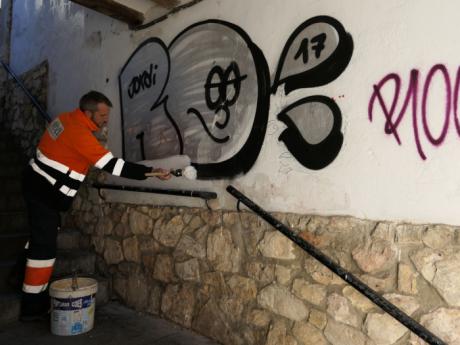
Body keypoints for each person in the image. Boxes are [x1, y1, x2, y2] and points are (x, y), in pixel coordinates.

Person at [19, 90, 170, 321]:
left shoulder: (65, 119)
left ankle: (18, 275)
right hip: (43, 193)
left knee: (40, 238)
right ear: (88, 112)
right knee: (44, 250)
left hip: (38, 186)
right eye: (102, 115)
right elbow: (113, 166)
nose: (106, 119)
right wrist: (151, 172)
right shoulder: (79, 133)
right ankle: (32, 305)